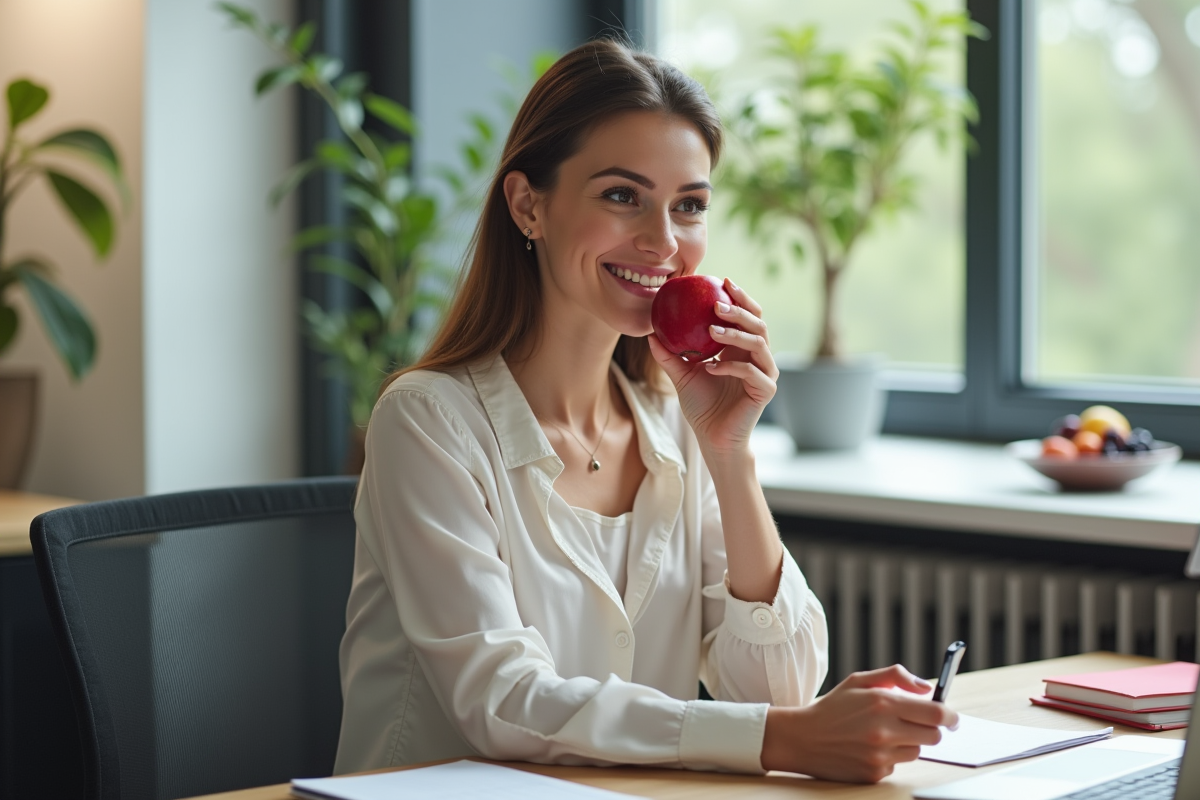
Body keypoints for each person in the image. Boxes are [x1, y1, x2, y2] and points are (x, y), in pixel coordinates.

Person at [334, 37, 957, 784]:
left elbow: (778, 692)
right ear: (528, 204)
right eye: (622, 195)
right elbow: (500, 702)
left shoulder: (674, 421)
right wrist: (779, 742)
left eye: (689, 205)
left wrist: (730, 454)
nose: (664, 242)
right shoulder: (427, 423)